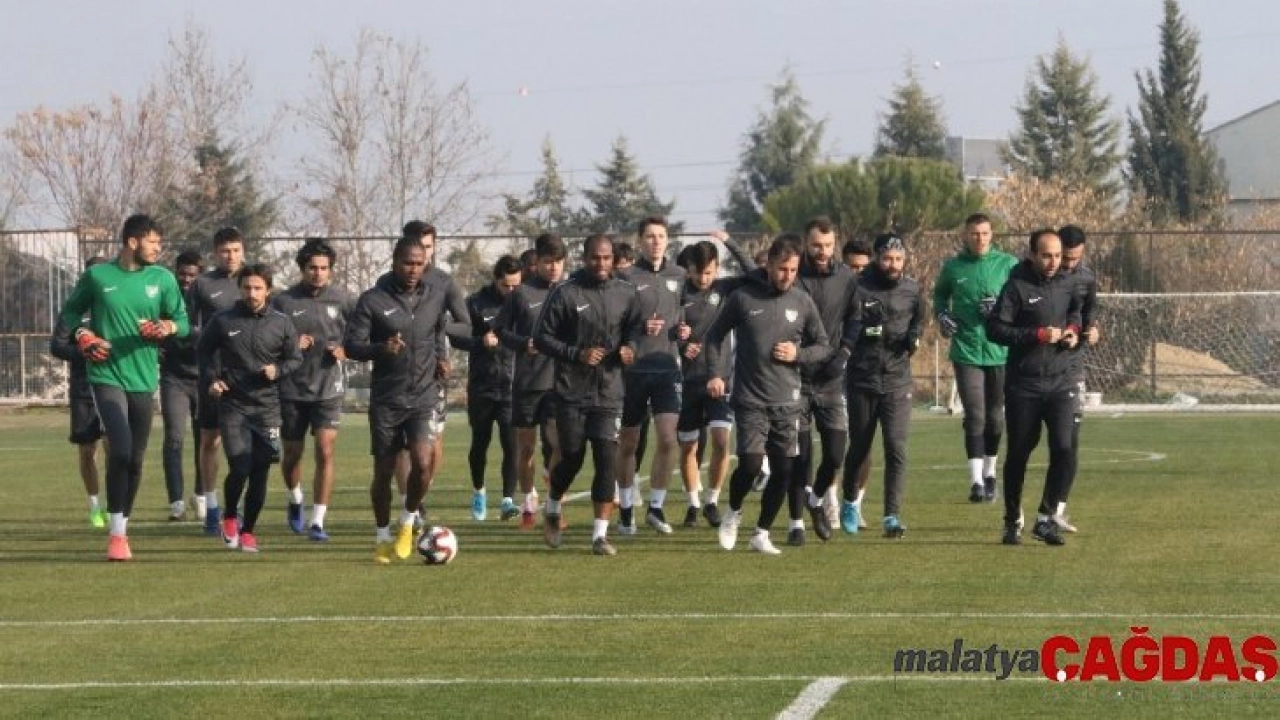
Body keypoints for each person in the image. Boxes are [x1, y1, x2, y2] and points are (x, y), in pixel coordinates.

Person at [58, 214, 190, 560]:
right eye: (153, 242)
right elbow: (70, 315)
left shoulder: (162, 279)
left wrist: (165, 328)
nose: (158, 249)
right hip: (105, 375)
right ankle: (116, 536)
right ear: (132, 242)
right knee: (120, 449)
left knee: (135, 459)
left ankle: (122, 526)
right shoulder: (97, 276)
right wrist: (83, 335)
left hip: (144, 379)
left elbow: (183, 321)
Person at [701, 234, 830, 555]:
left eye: (793, 270)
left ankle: (761, 533)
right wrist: (715, 373)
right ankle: (733, 512)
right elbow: (714, 337)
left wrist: (798, 354)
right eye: (782, 269)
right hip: (750, 399)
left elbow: (823, 346)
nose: (788, 276)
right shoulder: (743, 298)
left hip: (788, 401)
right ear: (769, 265)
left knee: (784, 470)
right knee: (750, 464)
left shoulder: (802, 301)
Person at [344, 237, 451, 564]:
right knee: (384, 472)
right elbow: (352, 346)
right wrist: (381, 348)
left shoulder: (434, 297)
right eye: (407, 263)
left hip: (423, 396)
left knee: (423, 462)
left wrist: (442, 358)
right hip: (387, 399)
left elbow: (438, 332)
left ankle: (407, 522)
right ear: (394, 262)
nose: (413, 269)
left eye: (419, 263)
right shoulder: (373, 300)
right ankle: (381, 535)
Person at [812, 233, 924, 539]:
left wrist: (914, 337)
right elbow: (843, 328)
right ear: (877, 257)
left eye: (898, 259)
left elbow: (918, 320)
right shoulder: (857, 288)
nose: (893, 264)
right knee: (860, 446)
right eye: (887, 258)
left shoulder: (912, 289)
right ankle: (850, 502)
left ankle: (891, 516)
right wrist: (864, 335)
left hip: (898, 381)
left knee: (896, 448)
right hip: (862, 378)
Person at [534, 234, 640, 556]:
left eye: (606, 258)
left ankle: (599, 536)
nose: (601, 263)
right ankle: (553, 506)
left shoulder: (626, 292)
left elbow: (635, 328)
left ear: (613, 259)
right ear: (585, 258)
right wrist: (576, 354)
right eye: (595, 258)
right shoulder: (566, 292)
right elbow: (542, 338)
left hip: (609, 391)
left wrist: (630, 348)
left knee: (606, 459)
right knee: (573, 457)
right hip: (571, 391)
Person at [986, 229, 1082, 547]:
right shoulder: (1017, 286)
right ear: (1032, 255)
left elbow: (1076, 313)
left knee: (1065, 449)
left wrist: (1073, 331)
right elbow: (995, 329)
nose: (1053, 261)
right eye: (1046, 255)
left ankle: (1045, 518)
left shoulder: (1068, 282)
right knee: (1018, 453)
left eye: (1057, 255)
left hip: (1061, 381)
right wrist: (1036, 335)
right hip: (1024, 385)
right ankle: (1012, 519)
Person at [198, 264, 301, 553]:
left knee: (260, 472)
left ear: (268, 290)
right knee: (240, 465)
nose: (252, 293)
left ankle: (249, 532)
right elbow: (203, 351)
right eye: (247, 288)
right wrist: (213, 379)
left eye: (258, 288)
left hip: (267, 409)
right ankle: (230, 516)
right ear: (240, 289)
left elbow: (295, 358)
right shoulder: (223, 320)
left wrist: (278, 370)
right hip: (234, 405)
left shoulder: (282, 323)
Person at [271, 239, 355, 541]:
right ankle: (295, 498)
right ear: (302, 268)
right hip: (291, 388)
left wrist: (346, 350)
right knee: (292, 455)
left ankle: (318, 521)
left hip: (328, 387)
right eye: (312, 268)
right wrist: (292, 346)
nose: (318, 273)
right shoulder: (283, 302)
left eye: (323, 268)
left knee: (325, 449)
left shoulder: (343, 300)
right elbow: (268, 340)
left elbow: (361, 334)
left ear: (330, 269)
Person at [932, 213, 1018, 503]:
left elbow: (1020, 301)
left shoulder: (1008, 264)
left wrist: (999, 309)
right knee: (975, 415)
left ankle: (991, 473)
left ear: (992, 235)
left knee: (995, 418)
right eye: (974, 233)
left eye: (984, 233)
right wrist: (942, 316)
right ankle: (976, 481)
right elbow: (939, 297)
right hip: (966, 350)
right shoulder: (953, 267)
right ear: (965, 235)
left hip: (1000, 351)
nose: (979, 239)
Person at [673, 236, 753, 528]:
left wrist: (730, 242)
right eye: (698, 272)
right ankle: (693, 504)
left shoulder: (724, 288)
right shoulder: (679, 292)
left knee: (721, 440)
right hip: (688, 382)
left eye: (709, 272)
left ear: (717, 268)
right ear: (689, 269)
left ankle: (712, 501)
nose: (704, 279)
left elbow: (754, 272)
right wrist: (680, 342)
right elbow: (665, 329)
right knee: (689, 447)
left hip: (720, 381)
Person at [615, 216, 688, 535]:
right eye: (650, 236)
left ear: (667, 240)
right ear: (640, 241)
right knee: (629, 442)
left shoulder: (680, 275)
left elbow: (686, 314)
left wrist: (685, 331)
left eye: (661, 236)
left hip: (667, 370)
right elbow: (616, 323)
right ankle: (626, 508)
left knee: (669, 439)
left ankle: (656, 508)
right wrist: (638, 328)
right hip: (633, 372)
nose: (656, 241)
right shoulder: (626, 277)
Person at [396, 221, 470, 522]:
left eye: (427, 247)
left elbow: (465, 324)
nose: (422, 255)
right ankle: (409, 504)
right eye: (417, 248)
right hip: (397, 377)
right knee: (402, 447)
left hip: (432, 376)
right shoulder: (386, 283)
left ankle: (419, 493)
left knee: (432, 446)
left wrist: (437, 327)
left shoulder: (444, 283)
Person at [792, 217, 859, 546]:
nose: (822, 251)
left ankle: (815, 499)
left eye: (828, 245)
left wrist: (844, 353)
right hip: (795, 377)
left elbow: (855, 319)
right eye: (816, 245)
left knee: (835, 454)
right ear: (806, 244)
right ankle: (797, 524)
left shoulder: (846, 277)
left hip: (831, 379)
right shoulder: (793, 275)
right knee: (800, 455)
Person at [497, 233, 566, 529]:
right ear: (537, 262)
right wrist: (523, 343)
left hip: (559, 383)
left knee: (558, 444)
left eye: (559, 261)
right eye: (548, 261)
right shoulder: (521, 294)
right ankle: (528, 503)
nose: (554, 267)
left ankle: (554, 506)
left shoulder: (569, 292)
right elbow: (500, 330)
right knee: (526, 448)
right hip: (527, 384)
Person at [451, 255, 522, 521]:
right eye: (506, 286)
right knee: (480, 443)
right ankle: (479, 491)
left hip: (511, 387)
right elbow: (456, 337)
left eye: (516, 285)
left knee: (511, 444)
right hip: (482, 386)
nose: (511, 291)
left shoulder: (523, 303)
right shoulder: (476, 303)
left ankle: (507, 501)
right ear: (496, 280)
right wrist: (480, 341)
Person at [190, 227, 247, 533]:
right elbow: (187, 324)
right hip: (212, 376)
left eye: (236, 250)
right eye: (225, 251)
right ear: (215, 253)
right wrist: (208, 337)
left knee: (242, 445)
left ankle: (235, 507)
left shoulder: (253, 281)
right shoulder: (202, 284)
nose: (231, 256)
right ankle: (211, 505)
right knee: (210, 440)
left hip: (246, 377)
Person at [49, 255, 109, 529]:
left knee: (115, 448)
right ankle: (95, 506)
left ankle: (116, 504)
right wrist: (84, 351)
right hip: (83, 389)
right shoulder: (74, 309)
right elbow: (57, 346)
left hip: (113, 383)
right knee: (87, 450)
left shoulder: (117, 306)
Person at [1055, 224, 1101, 533]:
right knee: (1022, 446)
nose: (1070, 264)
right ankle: (1012, 515)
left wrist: (1093, 331)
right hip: (1033, 373)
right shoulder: (1034, 277)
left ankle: (1056, 510)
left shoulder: (1086, 279)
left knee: (1068, 444)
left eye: (1075, 258)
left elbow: (1090, 315)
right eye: (1065, 258)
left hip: (1071, 371)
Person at [159, 251, 203, 522]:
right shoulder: (166, 298)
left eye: (192, 275)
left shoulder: (206, 299)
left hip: (203, 377)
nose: (186, 279)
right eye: (182, 274)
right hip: (174, 378)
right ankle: (176, 502)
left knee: (204, 439)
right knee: (174, 438)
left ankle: (201, 494)